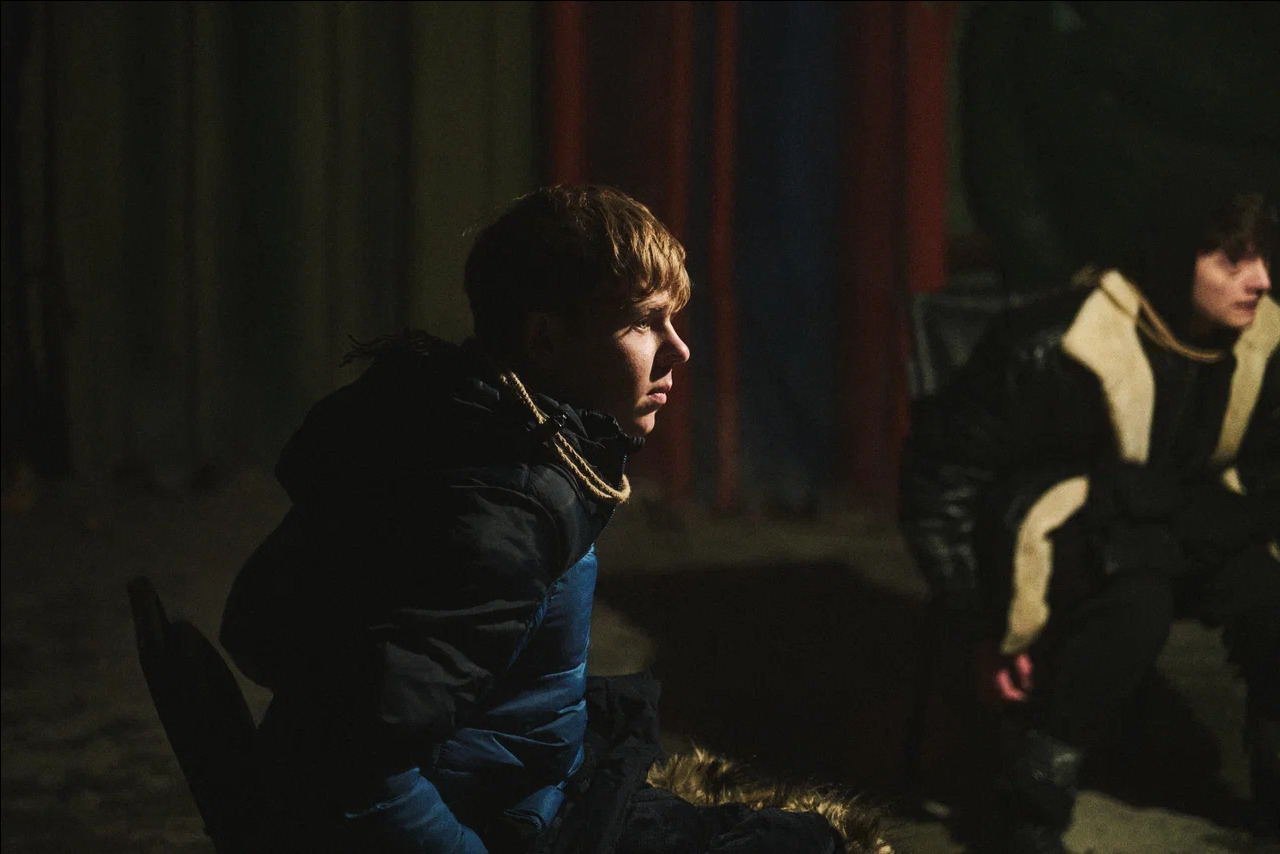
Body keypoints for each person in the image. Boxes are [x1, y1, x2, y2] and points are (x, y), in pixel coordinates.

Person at [219, 185, 887, 853]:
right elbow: (353, 770)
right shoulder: (500, 513)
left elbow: (271, 639)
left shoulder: (446, 425)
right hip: (516, 819)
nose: (678, 350)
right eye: (645, 322)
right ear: (544, 338)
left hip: (522, 782)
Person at [899, 183, 1279, 853]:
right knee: (1137, 598)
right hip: (1060, 536)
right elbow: (941, 483)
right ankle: (1029, 807)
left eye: (1264, 257)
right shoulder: (1054, 343)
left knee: (1269, 592)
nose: (1262, 280)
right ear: (1175, 261)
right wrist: (982, 627)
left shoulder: (1259, 343)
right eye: (1233, 260)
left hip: (1175, 522)